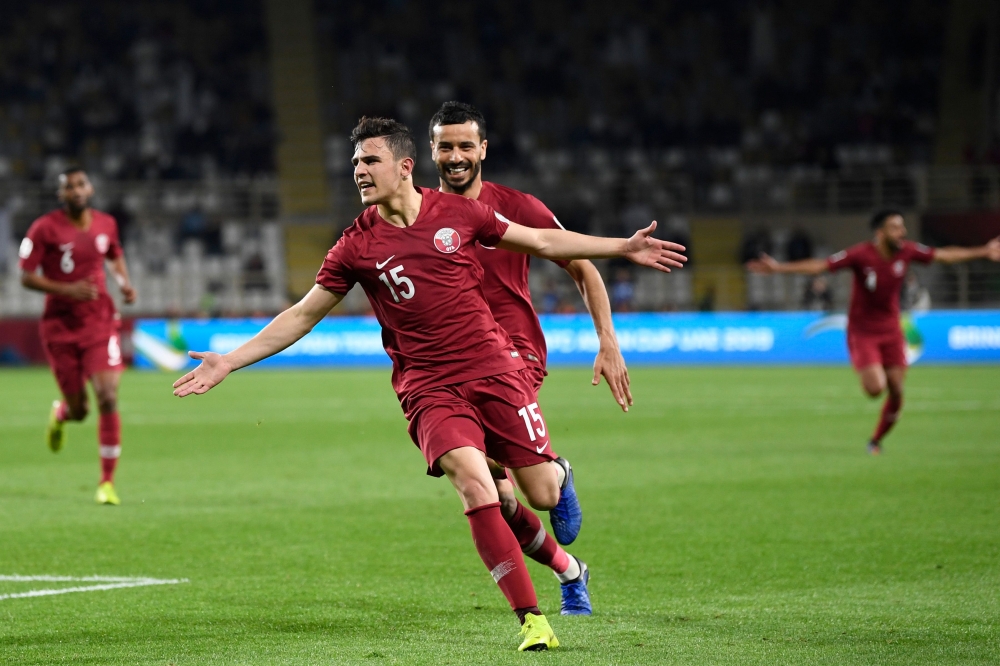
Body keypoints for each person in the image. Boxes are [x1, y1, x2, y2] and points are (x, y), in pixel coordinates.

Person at [173, 117, 686, 651]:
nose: (359, 172)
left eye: (370, 161)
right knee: (474, 482)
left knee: (537, 493)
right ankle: (532, 619)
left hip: (495, 371)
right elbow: (302, 315)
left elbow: (540, 239)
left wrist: (620, 248)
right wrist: (230, 361)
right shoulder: (354, 246)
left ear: (404, 166)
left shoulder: (460, 214)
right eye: (355, 163)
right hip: (428, 388)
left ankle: (562, 500)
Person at [429, 101, 629, 616]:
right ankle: (570, 571)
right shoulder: (419, 213)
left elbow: (582, 267)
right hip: (451, 368)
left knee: (535, 494)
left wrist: (607, 340)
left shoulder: (519, 208)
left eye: (465, 146)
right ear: (431, 151)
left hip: (512, 355)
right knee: (491, 494)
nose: (456, 156)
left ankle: (557, 472)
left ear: (483, 150)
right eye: (446, 146)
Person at [748, 210, 1000, 454]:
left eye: (902, 227)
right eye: (896, 228)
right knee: (875, 388)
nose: (903, 232)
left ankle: (876, 441)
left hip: (891, 330)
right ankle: (869, 391)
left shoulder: (908, 251)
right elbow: (820, 266)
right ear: (880, 233)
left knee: (898, 389)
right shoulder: (860, 255)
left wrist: (984, 251)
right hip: (863, 332)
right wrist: (779, 268)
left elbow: (944, 255)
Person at [18, 168, 137, 505]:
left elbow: (114, 254)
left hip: (100, 321)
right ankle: (60, 415)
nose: (76, 190)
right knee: (81, 410)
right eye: (68, 187)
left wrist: (124, 282)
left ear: (91, 188)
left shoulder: (106, 224)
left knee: (108, 396)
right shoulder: (44, 228)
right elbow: (26, 277)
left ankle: (107, 482)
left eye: (81, 184)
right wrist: (67, 289)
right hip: (60, 327)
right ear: (61, 194)